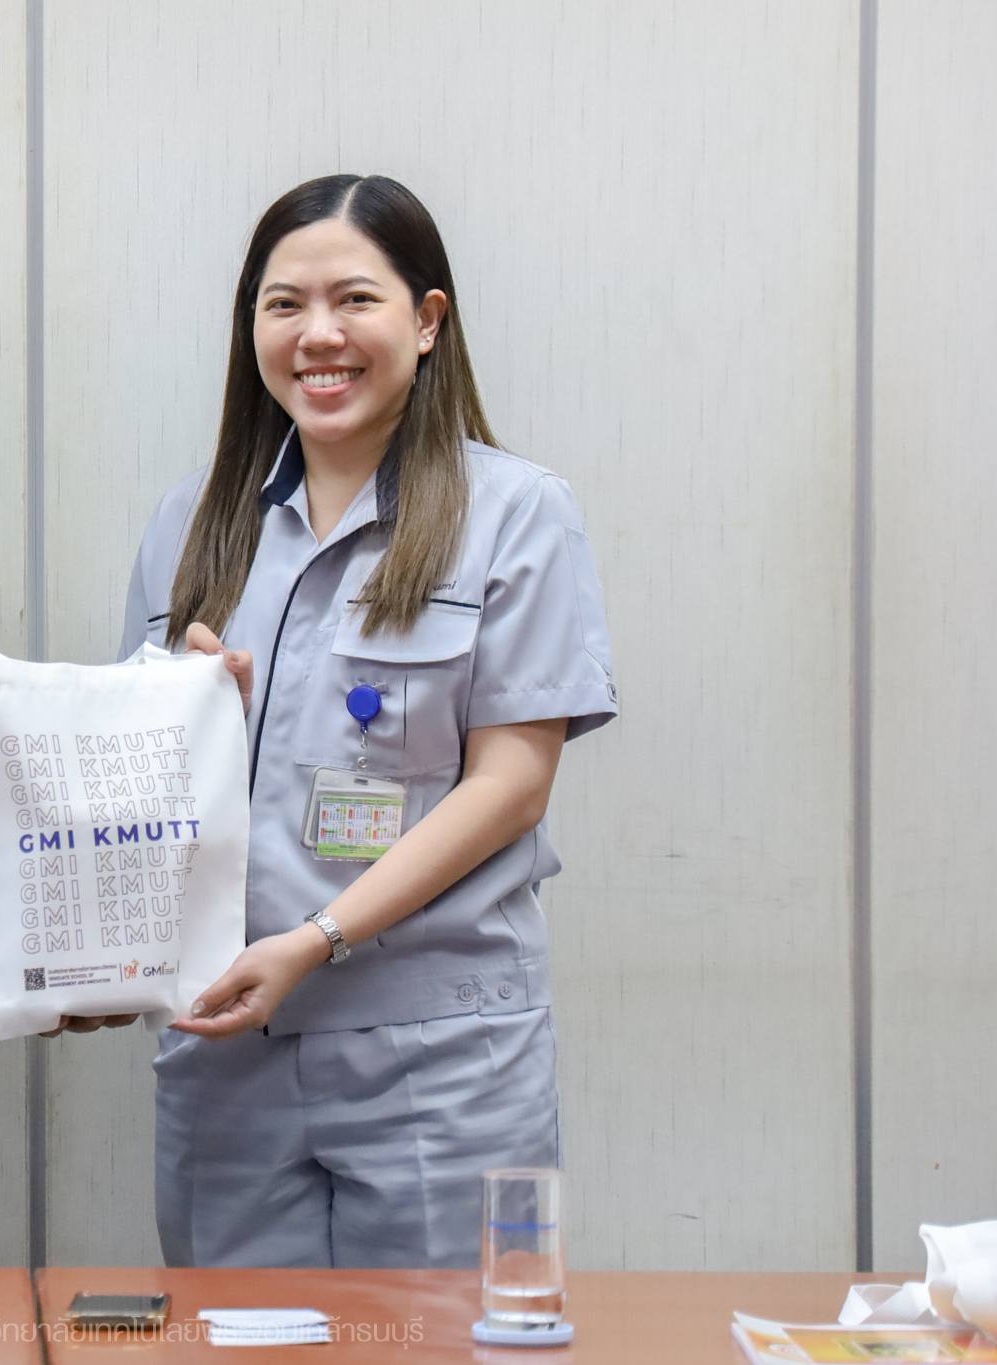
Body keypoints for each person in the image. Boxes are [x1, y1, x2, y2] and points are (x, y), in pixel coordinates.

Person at [122, 173, 618, 1269]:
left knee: (436, 1341)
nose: (318, 335)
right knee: (234, 1343)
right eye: (283, 304)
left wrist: (316, 941)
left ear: (427, 320)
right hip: (225, 1047)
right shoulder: (189, 522)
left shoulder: (514, 512)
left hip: (440, 1056)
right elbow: (130, 786)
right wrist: (179, 713)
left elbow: (511, 786)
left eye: (354, 299)